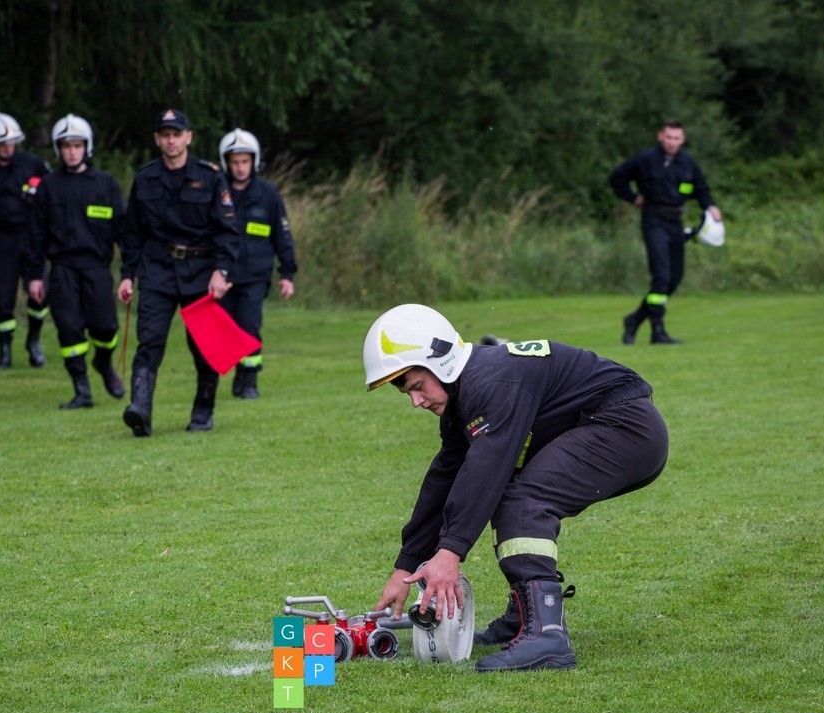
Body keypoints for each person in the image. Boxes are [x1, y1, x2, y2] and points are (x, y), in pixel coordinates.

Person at [365, 304, 669, 672]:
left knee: (522, 501)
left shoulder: (490, 384)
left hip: (627, 428)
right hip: (613, 423)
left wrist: (449, 553)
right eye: (407, 393)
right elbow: (445, 478)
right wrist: (406, 566)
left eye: (417, 386)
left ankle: (547, 635)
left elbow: (486, 471)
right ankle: (526, 616)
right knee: (511, 491)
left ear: (441, 362)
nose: (416, 401)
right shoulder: (468, 391)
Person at [117, 108, 239, 435]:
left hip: (201, 272)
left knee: (203, 347)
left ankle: (203, 411)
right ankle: (140, 411)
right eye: (165, 135)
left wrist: (222, 272)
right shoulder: (145, 179)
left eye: (176, 134)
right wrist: (127, 274)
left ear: (188, 137)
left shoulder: (210, 177)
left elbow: (228, 231)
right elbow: (132, 233)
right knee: (149, 340)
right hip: (157, 270)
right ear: (157, 140)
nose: (171, 140)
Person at [27, 113, 126, 409]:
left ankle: (104, 363)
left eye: (77, 145)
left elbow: (123, 230)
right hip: (62, 270)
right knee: (69, 329)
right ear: (58, 149)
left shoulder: (105, 185)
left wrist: (129, 272)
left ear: (87, 147)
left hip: (97, 268)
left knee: (106, 327)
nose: (72, 151)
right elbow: (36, 234)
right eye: (66, 146)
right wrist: (35, 275)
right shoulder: (48, 186)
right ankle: (81, 390)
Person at [609, 119, 722, 345]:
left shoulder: (687, 163)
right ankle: (657, 331)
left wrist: (710, 206)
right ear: (661, 136)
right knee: (661, 277)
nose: (671, 142)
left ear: (683, 140)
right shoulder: (645, 158)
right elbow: (616, 178)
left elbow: (701, 188)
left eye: (676, 138)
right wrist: (633, 198)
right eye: (668, 137)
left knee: (674, 278)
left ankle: (635, 319)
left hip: (675, 222)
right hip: (653, 219)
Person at [216, 128, 297, 399]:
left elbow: (282, 236)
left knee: (248, 325)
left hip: (255, 276)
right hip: (224, 276)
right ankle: (230, 372)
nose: (240, 167)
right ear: (226, 163)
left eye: (245, 161)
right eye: (235, 162)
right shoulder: (218, 192)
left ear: (254, 161)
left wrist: (287, 273)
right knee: (225, 328)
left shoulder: (268, 194)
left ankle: (248, 380)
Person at [0, 112, 52, 369]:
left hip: (31, 238)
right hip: (1, 242)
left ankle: (33, 340)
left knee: (40, 293)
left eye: (12, 143)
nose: (9, 148)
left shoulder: (31, 163)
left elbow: (51, 185)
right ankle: (4, 350)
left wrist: (38, 190)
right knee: (2, 297)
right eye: (2, 144)